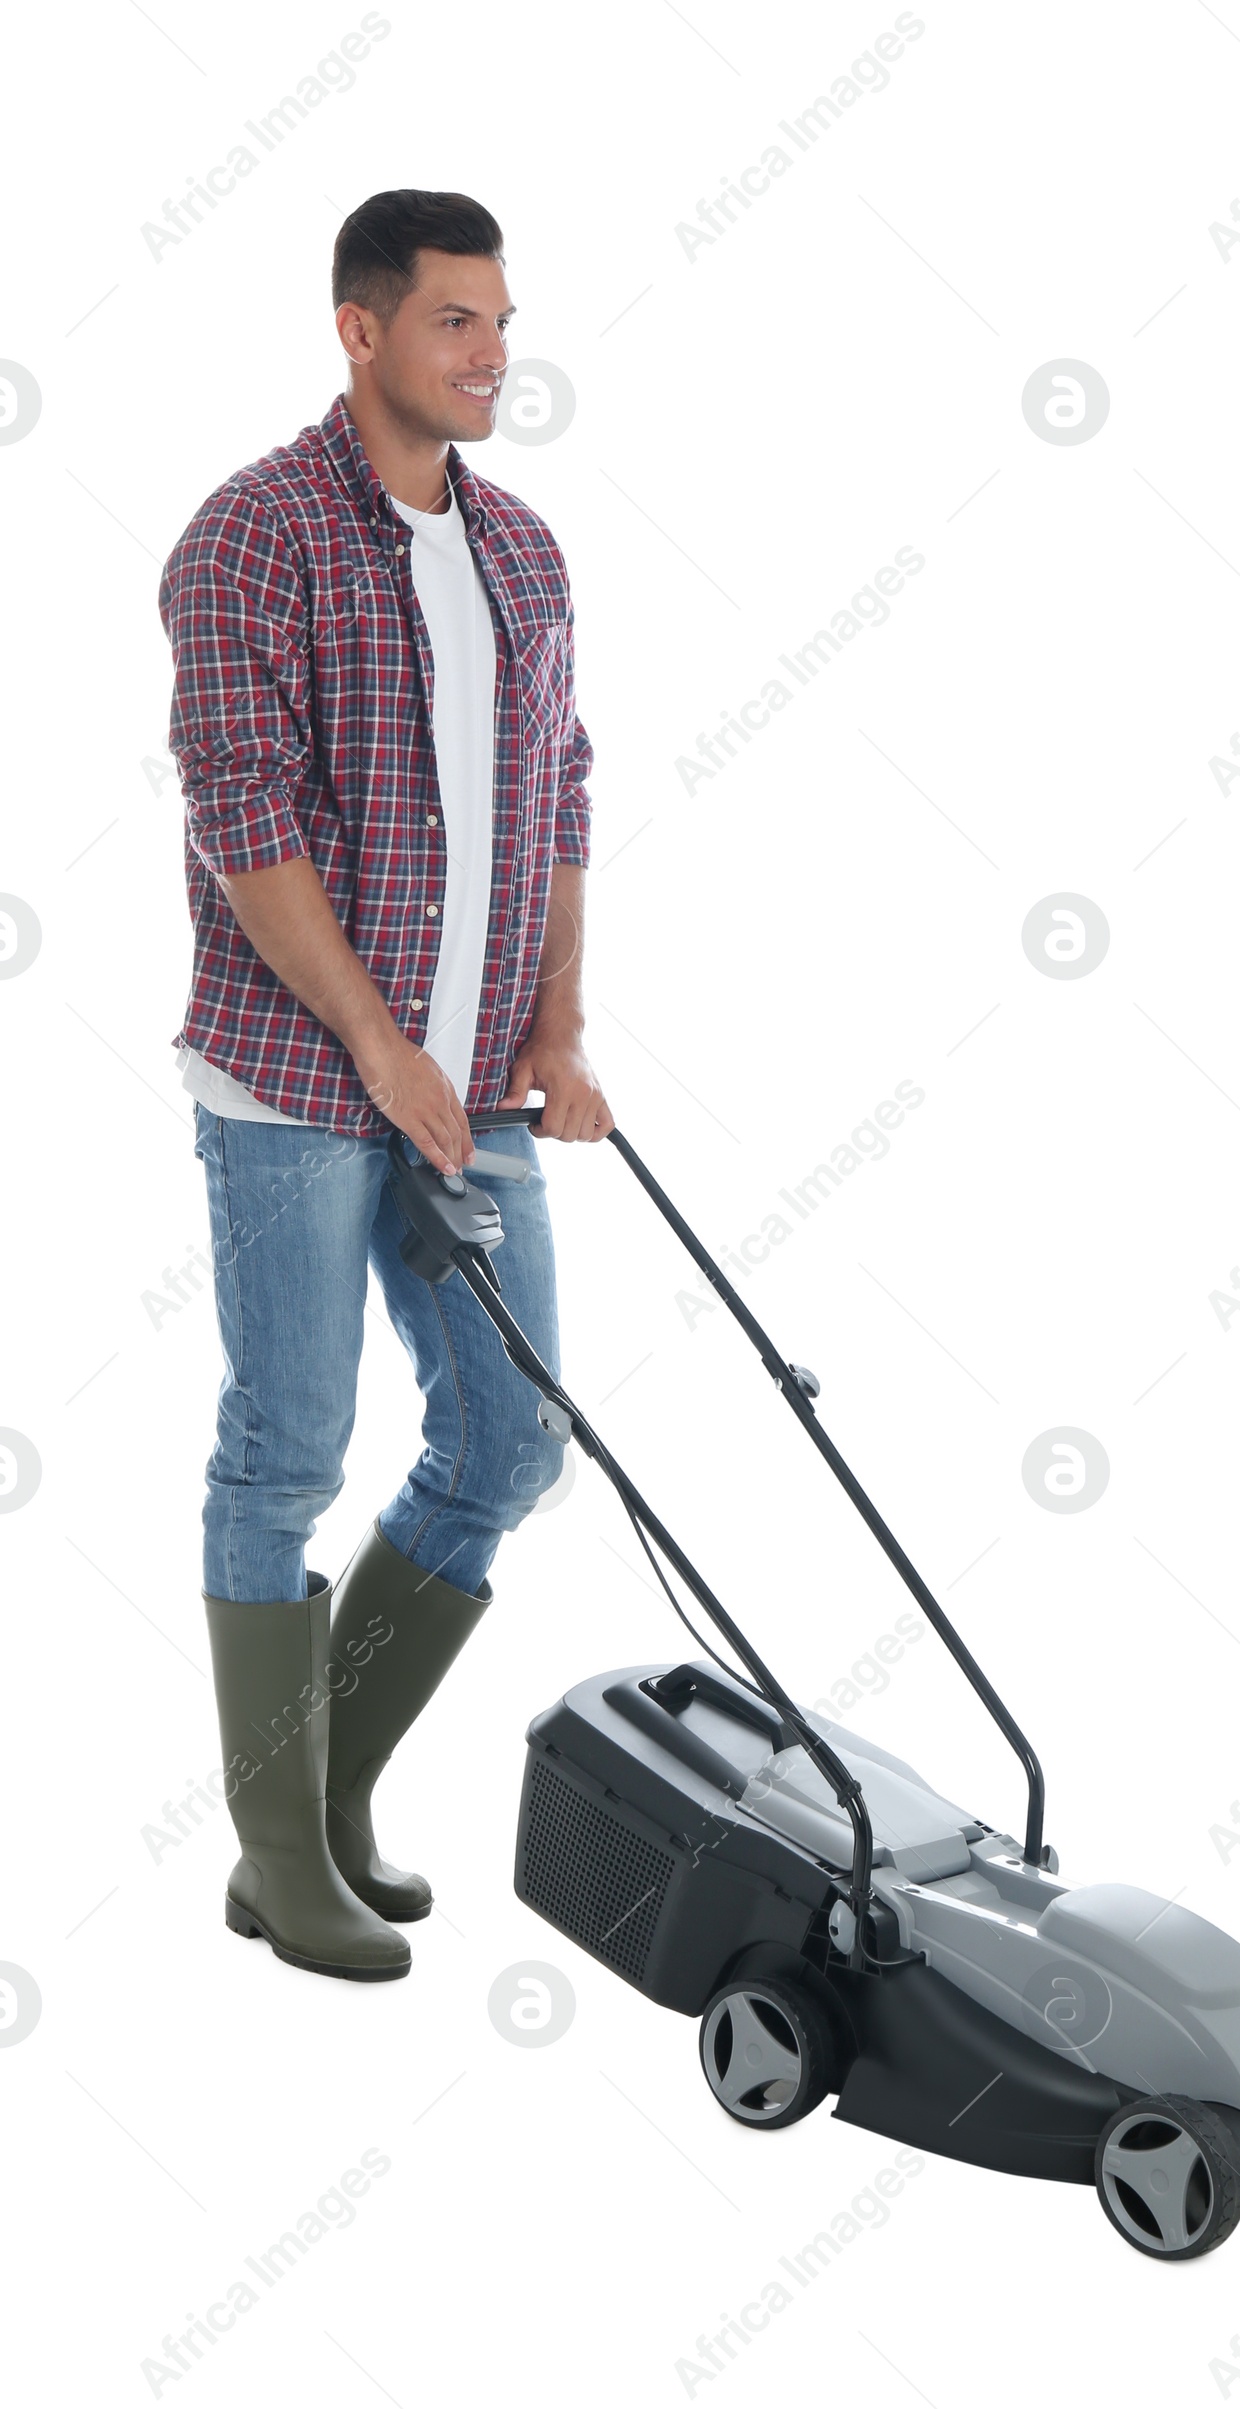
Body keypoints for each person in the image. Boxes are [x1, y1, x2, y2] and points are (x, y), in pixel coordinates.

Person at [158, 189, 611, 1983]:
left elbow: (560, 791)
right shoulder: (252, 539)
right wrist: (373, 1038)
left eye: (502, 321)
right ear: (360, 330)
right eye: (453, 322)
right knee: (285, 1457)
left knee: (510, 1437)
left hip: (479, 1076)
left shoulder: (523, 552)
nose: (492, 354)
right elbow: (244, 819)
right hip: (296, 1078)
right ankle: (285, 1856)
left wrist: (557, 1028)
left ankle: (323, 1796)